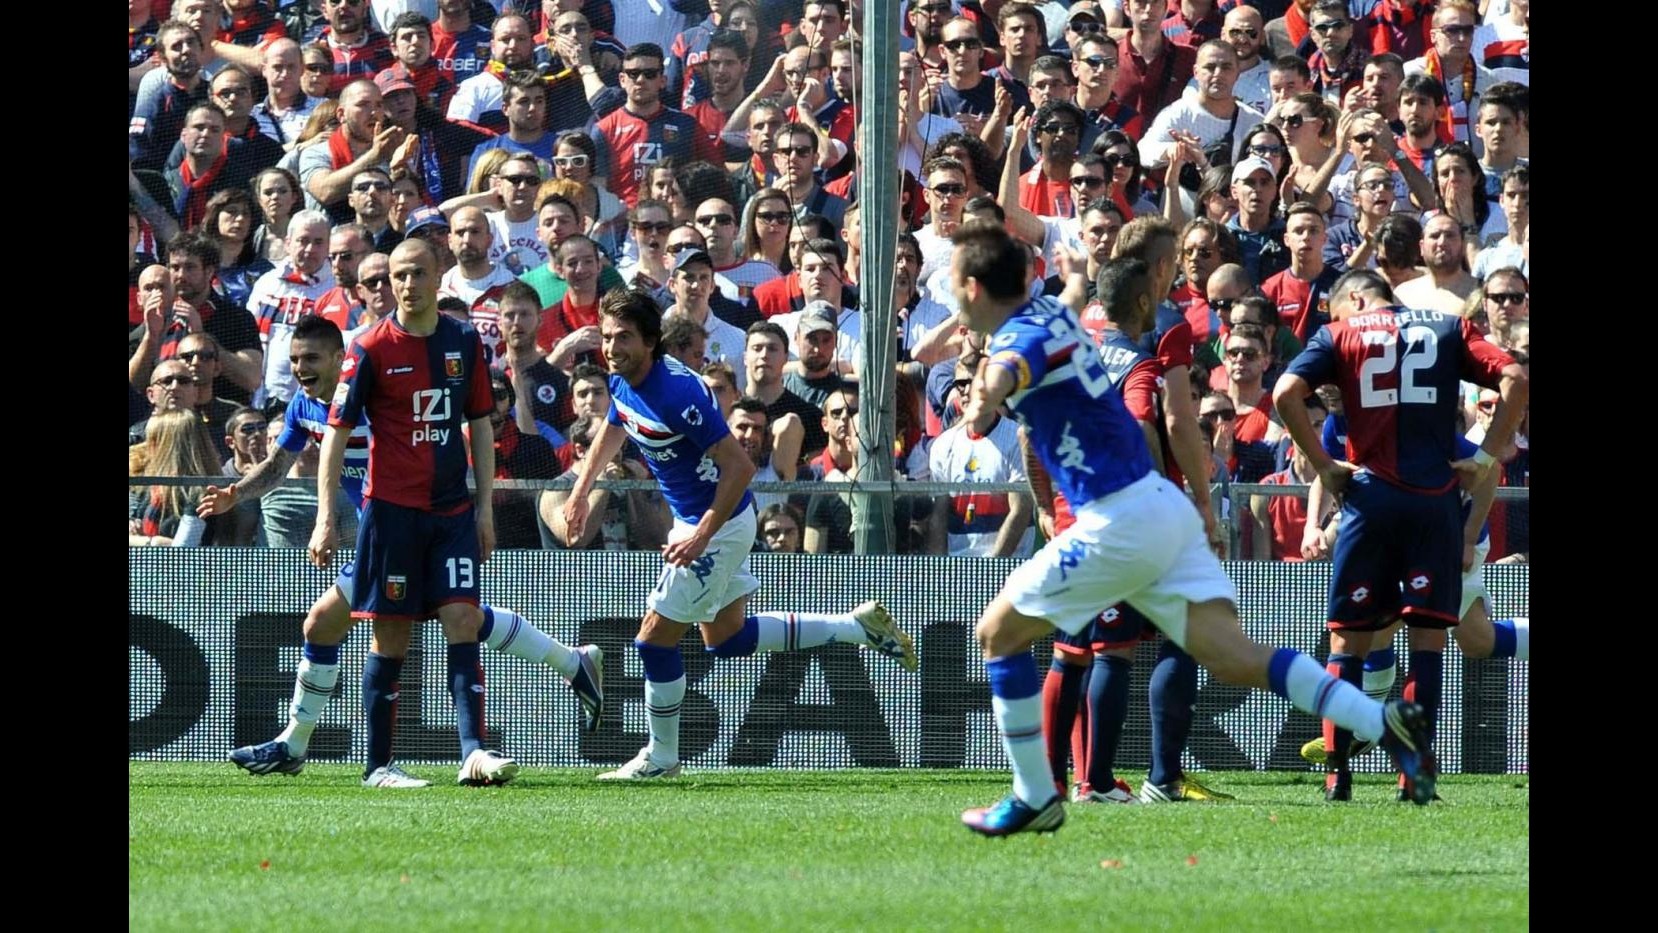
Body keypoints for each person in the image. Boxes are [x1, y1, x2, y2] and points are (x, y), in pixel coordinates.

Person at [948, 222, 1437, 837]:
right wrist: (1073, 278)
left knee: (997, 634)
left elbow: (1005, 375)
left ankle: (1034, 795)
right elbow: (1066, 304)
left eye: (951, 280)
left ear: (970, 287)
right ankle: (1382, 722)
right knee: (1235, 657)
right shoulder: (1050, 311)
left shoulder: (1019, 339)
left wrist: (982, 398)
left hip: (1117, 517)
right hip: (1163, 505)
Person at [215, 315, 604, 786]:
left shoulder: (373, 397)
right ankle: (297, 745)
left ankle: (343, 754)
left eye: (312, 359)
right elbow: (278, 466)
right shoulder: (303, 406)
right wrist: (237, 492)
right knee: (359, 621)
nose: (300, 368)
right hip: (383, 530)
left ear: (341, 358)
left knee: (449, 620)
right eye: (295, 360)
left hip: (415, 519)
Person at [561, 288, 917, 780]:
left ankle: (661, 757)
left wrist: (703, 534)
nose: (611, 347)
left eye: (623, 337)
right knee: (725, 638)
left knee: (652, 643)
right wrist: (581, 490)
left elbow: (740, 468)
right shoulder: (624, 378)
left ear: (649, 341)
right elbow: (615, 424)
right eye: (606, 337)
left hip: (719, 522)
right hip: (706, 522)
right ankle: (855, 627)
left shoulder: (677, 394)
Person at [1271, 268, 1527, 802]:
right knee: (1429, 644)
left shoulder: (1340, 335)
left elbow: (1286, 393)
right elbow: (1517, 380)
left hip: (1370, 500)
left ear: (1358, 299)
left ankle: (1337, 777)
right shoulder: (1450, 327)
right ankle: (1414, 777)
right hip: (1433, 503)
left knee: (1347, 641)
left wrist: (1324, 465)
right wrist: (1482, 458)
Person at [303, 240, 511, 787]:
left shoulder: (463, 340)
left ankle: (473, 753)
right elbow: (336, 435)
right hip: (392, 511)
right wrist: (326, 516)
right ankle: (378, 766)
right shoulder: (368, 346)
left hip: (452, 510)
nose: (407, 283)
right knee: (390, 636)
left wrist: (485, 507)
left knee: (463, 619)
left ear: (438, 275)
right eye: (398, 274)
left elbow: (481, 425)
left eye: (418, 272)